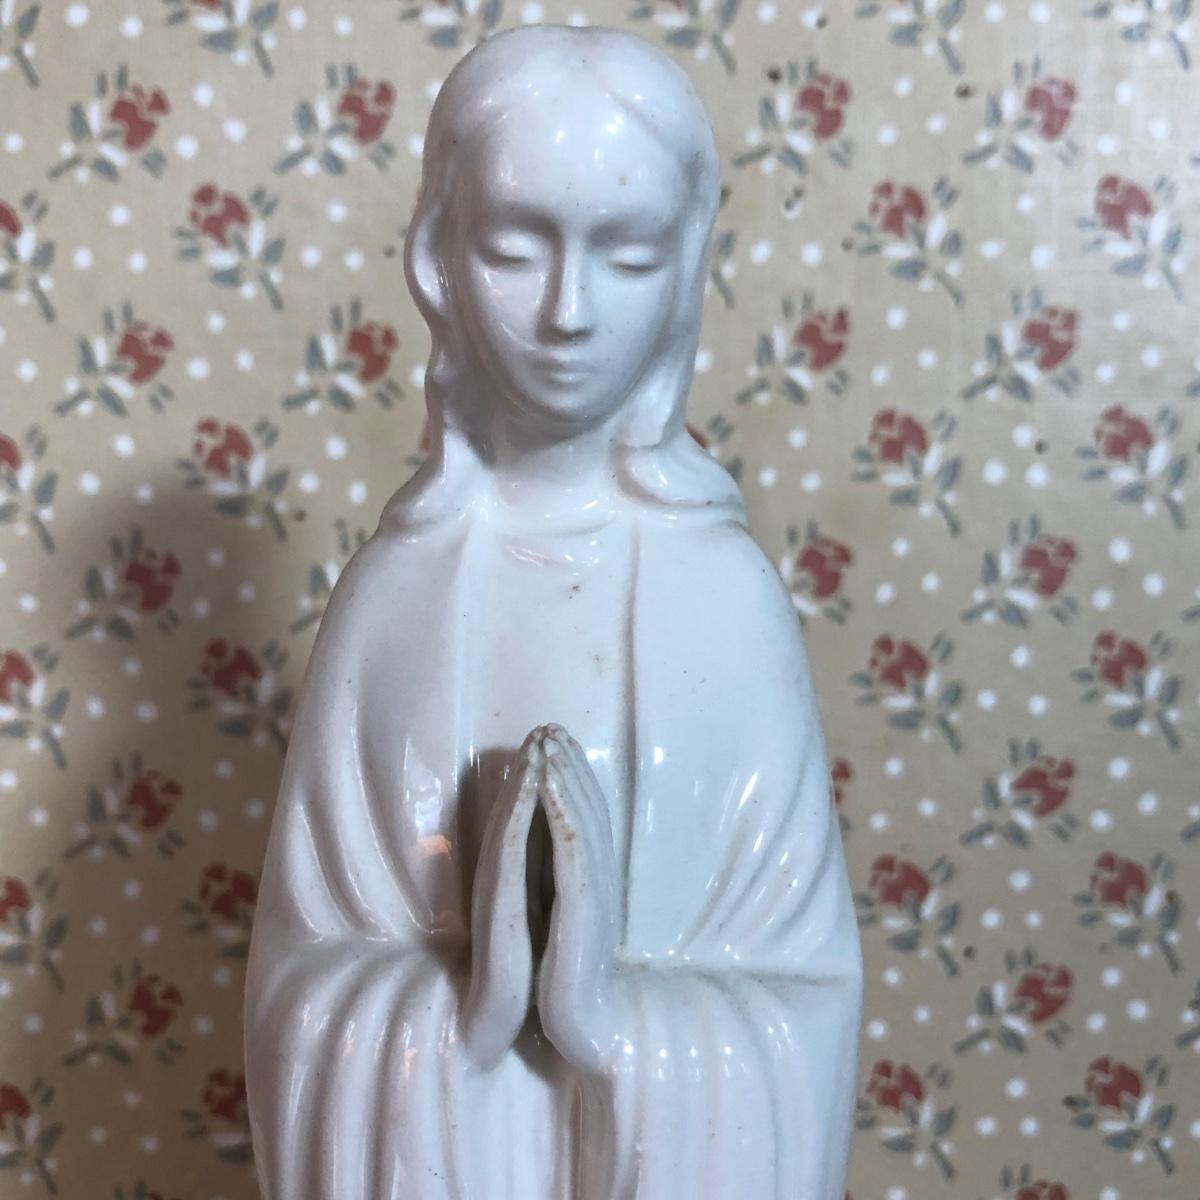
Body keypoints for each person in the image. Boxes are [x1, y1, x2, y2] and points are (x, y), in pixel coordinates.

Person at [243, 23, 862, 1199]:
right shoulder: (397, 594)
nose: (568, 312)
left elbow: (804, 1001)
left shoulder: (724, 603)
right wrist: (466, 1012)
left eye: (625, 254)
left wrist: (604, 1019)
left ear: (683, 268)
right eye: (516, 248)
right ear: (441, 256)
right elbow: (301, 985)